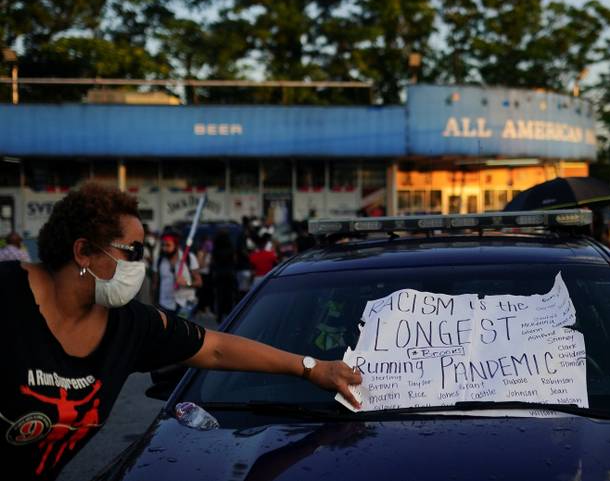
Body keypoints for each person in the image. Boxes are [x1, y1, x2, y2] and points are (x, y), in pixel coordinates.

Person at [1, 183, 360, 480]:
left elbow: (215, 347)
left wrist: (313, 368)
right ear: (83, 251)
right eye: (133, 251)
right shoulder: (9, 295)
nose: (139, 265)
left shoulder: (130, 325)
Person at [154, 232, 202, 318]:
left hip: (185, 304)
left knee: (183, 330)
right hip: (165, 305)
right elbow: (155, 284)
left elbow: (199, 282)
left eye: (168, 245)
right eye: (163, 245)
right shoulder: (159, 261)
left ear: (176, 245)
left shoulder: (189, 258)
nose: (164, 248)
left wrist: (186, 283)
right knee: (166, 331)